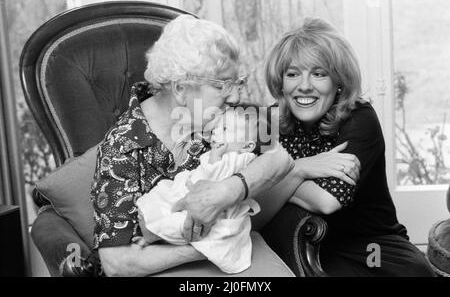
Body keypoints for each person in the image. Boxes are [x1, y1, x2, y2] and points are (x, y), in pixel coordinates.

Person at [90, 14, 294, 277]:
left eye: (237, 83)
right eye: (222, 85)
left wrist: (227, 191)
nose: (236, 95)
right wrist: (213, 244)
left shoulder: (221, 115)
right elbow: (117, 264)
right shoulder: (121, 148)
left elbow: (280, 158)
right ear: (180, 89)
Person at [264, 17, 435, 276]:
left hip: (371, 246)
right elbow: (257, 201)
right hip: (303, 242)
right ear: (281, 82)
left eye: (319, 74)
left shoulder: (359, 118)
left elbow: (327, 201)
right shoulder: (270, 121)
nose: (304, 85)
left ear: (338, 81)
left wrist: (276, 177)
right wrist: (300, 168)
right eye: (293, 74)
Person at [136, 106, 269, 274]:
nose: (215, 132)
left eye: (225, 129)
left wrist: (214, 157)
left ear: (248, 145)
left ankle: (153, 235)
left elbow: (213, 178)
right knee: (163, 193)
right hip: (197, 197)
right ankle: (153, 232)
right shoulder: (229, 154)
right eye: (216, 127)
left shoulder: (239, 159)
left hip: (214, 213)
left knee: (178, 221)